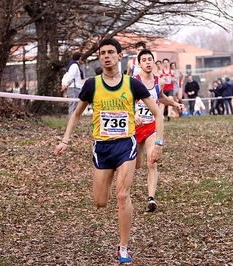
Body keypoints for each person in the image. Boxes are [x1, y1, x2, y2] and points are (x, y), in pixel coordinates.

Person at [54, 38, 164, 264]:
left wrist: (159, 144)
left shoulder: (132, 84)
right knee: (101, 201)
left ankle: (123, 248)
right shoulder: (92, 85)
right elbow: (76, 114)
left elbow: (158, 113)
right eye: (102, 52)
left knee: (123, 195)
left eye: (111, 52)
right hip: (102, 148)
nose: (106, 56)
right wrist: (65, 140)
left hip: (126, 144)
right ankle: (109, 186)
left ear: (120, 56)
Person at [134, 49, 182, 212]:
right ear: (139, 63)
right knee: (136, 165)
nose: (148, 62)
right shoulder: (133, 81)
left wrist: (174, 104)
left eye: (150, 59)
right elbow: (125, 101)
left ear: (154, 63)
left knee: (151, 162)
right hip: (134, 127)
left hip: (150, 126)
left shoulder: (158, 81)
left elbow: (160, 97)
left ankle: (151, 199)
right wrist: (133, 114)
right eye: (144, 60)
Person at [61, 52, 84, 119]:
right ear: (79, 58)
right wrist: (66, 84)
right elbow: (71, 76)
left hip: (73, 87)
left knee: (74, 104)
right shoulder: (74, 65)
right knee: (74, 104)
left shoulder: (71, 65)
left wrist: (64, 84)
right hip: (74, 87)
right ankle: (71, 120)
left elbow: (66, 76)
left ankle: (73, 119)